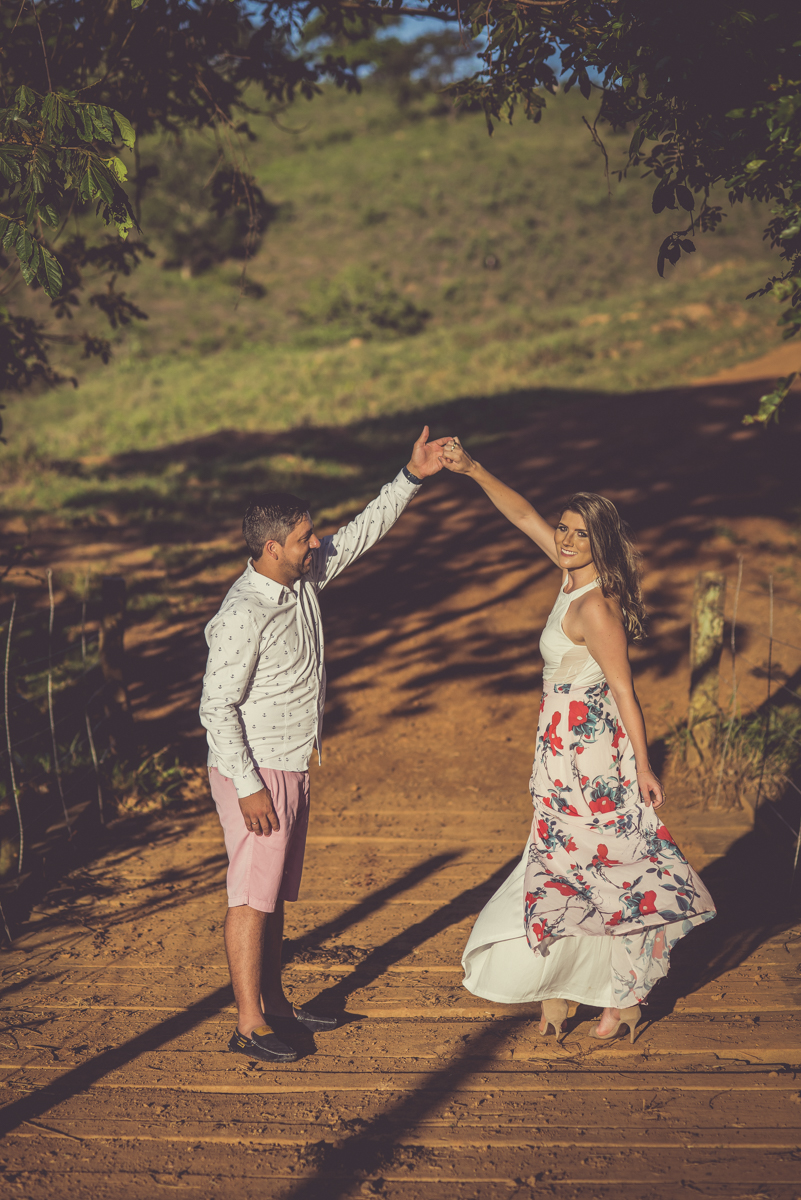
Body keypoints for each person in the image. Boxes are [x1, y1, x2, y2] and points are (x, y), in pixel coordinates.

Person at [442, 437, 716, 1043]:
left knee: (605, 865)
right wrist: (472, 469)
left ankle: (620, 995)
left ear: (601, 543)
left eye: (577, 534)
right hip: (561, 752)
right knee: (571, 865)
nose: (564, 540)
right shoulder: (568, 575)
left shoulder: (595, 606)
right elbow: (521, 515)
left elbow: (624, 690)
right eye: (563, 529)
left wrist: (644, 766)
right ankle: (567, 987)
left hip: (592, 761)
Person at [199, 427, 451, 1064]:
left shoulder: (303, 578)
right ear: (269, 547)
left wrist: (411, 476)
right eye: (304, 537)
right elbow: (214, 707)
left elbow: (364, 531)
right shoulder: (241, 614)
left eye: (312, 534)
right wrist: (251, 785)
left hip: (290, 762)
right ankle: (249, 1023)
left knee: (274, 890)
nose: (317, 543)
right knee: (250, 896)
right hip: (254, 769)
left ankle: (276, 1005)